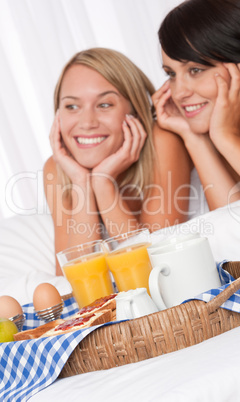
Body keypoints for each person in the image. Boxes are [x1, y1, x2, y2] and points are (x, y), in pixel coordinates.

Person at [43, 47, 191, 274]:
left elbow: (159, 268)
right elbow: (72, 280)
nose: (87, 122)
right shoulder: (57, 168)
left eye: (104, 105)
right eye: (72, 106)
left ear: (134, 111)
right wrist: (82, 182)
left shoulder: (162, 142)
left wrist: (103, 184)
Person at [152, 0, 240, 212]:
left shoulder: (226, 139)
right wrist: (195, 139)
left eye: (195, 70)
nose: (179, 93)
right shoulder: (218, 141)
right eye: (171, 74)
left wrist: (227, 137)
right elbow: (235, 232)